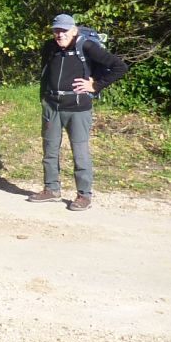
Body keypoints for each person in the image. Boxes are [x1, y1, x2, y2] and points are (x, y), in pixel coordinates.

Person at [28, 14, 128, 211]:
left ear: (74, 31)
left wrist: (96, 85)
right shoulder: (49, 47)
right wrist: (44, 99)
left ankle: (84, 195)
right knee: (49, 150)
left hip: (78, 109)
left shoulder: (87, 47)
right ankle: (51, 189)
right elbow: (46, 73)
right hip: (52, 106)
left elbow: (120, 67)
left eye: (64, 30)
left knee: (80, 153)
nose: (60, 34)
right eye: (56, 30)